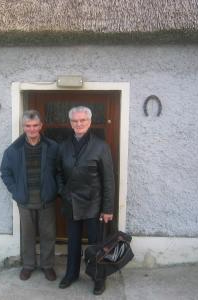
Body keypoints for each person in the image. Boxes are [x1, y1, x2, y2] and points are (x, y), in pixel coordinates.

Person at [56, 106, 115, 295]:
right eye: (75, 121)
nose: (78, 124)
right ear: (70, 123)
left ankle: (99, 278)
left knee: (96, 244)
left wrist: (107, 208)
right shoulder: (63, 145)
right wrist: (62, 192)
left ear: (89, 122)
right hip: (71, 202)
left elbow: (109, 180)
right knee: (72, 242)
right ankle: (71, 274)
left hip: (94, 205)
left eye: (82, 120)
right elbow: (57, 172)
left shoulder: (101, 146)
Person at [0, 110, 58, 281]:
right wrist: (15, 190)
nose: (32, 129)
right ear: (23, 127)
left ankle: (47, 266)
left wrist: (56, 189)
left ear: (41, 126)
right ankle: (28, 265)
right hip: (25, 200)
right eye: (28, 126)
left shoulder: (53, 147)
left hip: (46, 199)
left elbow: (60, 170)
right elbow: (5, 172)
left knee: (48, 234)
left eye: (35, 126)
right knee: (28, 235)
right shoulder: (13, 150)